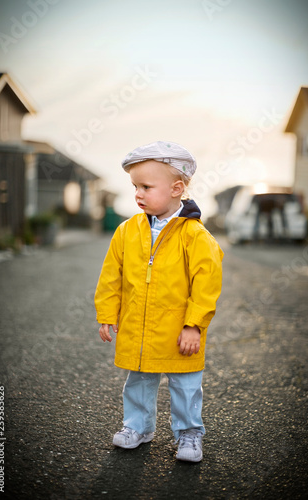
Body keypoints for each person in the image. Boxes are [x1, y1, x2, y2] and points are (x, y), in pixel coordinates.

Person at [94, 141, 223, 462]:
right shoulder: (127, 231)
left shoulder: (195, 236)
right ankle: (137, 427)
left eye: (146, 186)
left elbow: (206, 285)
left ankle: (189, 433)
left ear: (177, 188)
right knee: (138, 381)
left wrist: (194, 325)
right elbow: (111, 276)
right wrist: (107, 313)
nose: (138, 193)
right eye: (135, 186)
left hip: (181, 331)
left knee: (185, 386)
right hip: (139, 328)